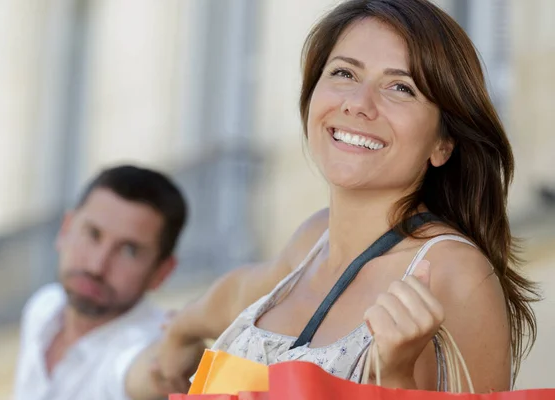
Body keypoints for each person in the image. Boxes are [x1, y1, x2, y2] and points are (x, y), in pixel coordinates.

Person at [130, 0, 540, 396]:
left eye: (401, 87)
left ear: (442, 144)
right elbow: (235, 293)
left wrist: (394, 378)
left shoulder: (454, 272)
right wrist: (179, 333)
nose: (359, 104)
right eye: (344, 73)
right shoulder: (312, 241)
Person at [13, 165, 203, 400]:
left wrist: (181, 351)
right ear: (65, 230)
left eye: (129, 251)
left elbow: (148, 369)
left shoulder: (145, 340)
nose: (97, 266)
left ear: (161, 272)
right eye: (93, 234)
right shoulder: (43, 306)